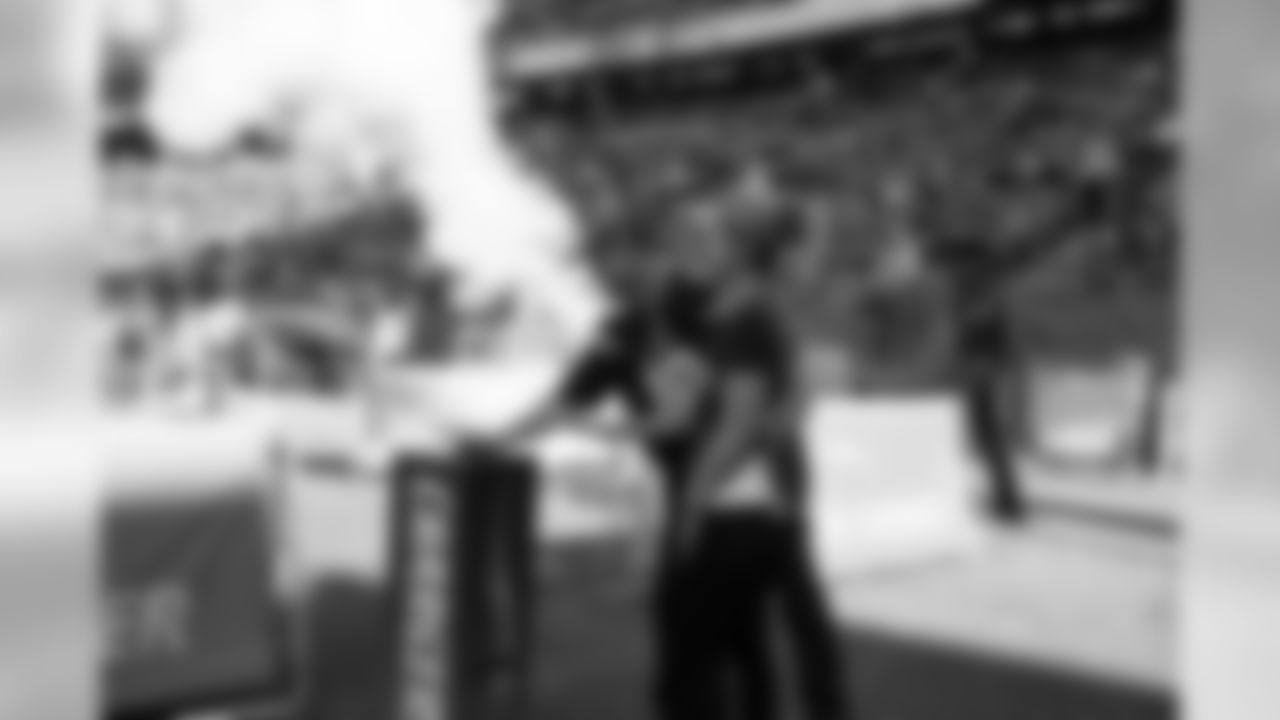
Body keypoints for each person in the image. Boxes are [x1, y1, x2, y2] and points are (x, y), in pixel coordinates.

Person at [511, 161, 849, 720]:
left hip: (761, 498)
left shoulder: (739, 305)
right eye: (681, 239)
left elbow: (785, 391)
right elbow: (568, 398)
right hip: (704, 500)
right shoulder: (625, 329)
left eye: (711, 238)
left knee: (776, 631)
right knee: (713, 641)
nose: (699, 249)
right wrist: (502, 437)